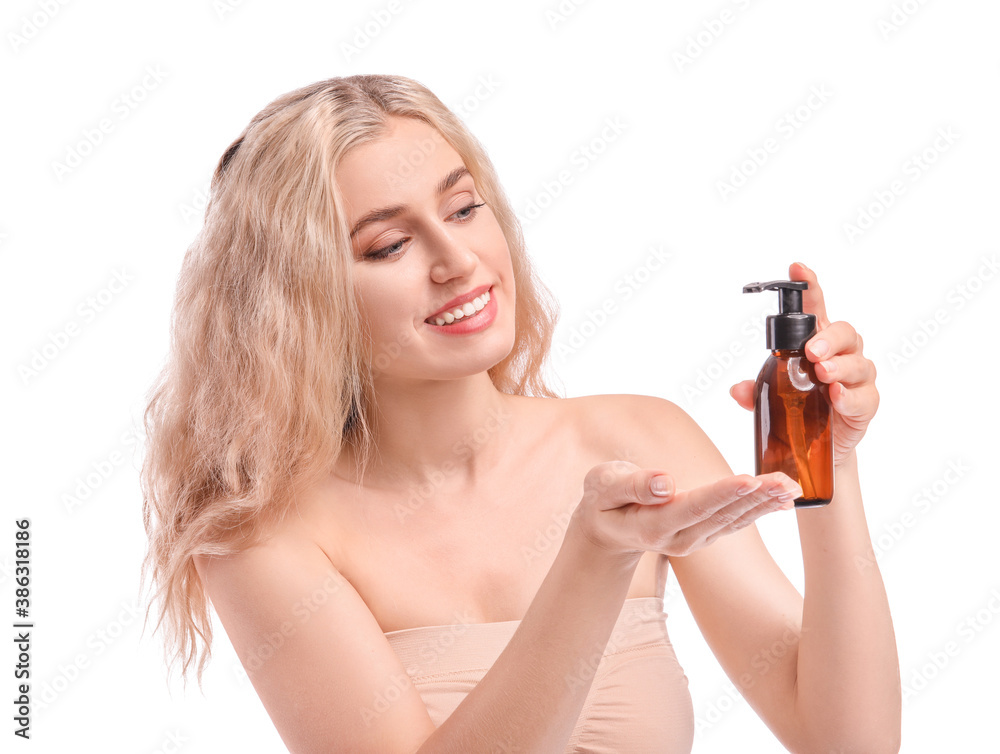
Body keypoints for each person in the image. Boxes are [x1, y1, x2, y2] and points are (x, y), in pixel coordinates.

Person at [139, 74, 901, 753]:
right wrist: (592, 561)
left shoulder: (636, 438)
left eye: (464, 208)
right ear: (296, 303)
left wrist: (827, 462)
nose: (457, 258)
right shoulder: (259, 531)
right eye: (389, 245)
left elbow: (848, 741)